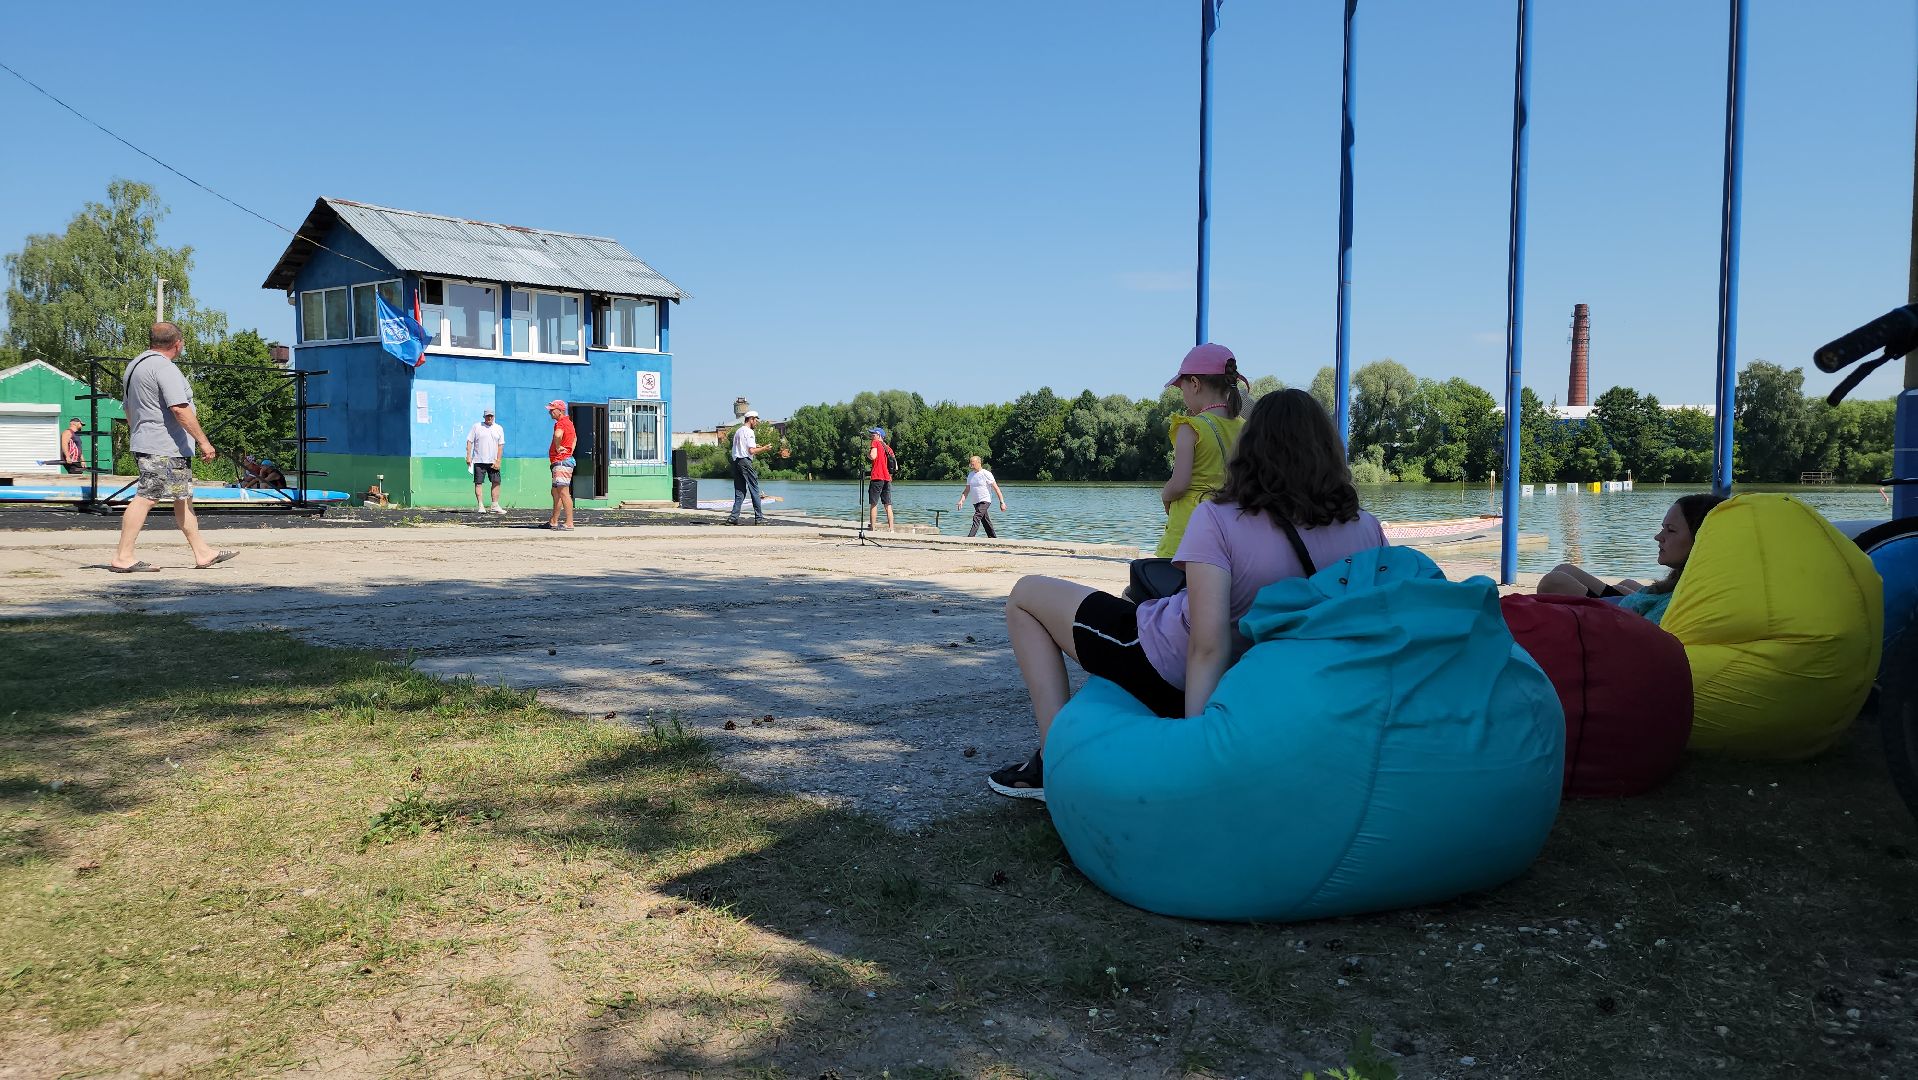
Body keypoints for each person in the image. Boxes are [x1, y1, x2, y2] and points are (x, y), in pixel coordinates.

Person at [987, 389, 1386, 800]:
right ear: (1328, 450)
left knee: (1024, 595)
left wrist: (1199, 752)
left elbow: (1207, 645)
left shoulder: (1218, 518)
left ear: (1251, 448)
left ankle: (1053, 761)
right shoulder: (1367, 529)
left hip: (1164, 666)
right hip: (1275, 682)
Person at [107, 323, 237, 573]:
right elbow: (179, 408)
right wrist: (203, 441)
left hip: (158, 444)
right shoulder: (164, 367)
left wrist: (140, 434)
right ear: (177, 344)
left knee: (183, 498)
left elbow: (128, 409)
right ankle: (123, 556)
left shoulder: (134, 366)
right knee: (146, 497)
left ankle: (203, 553)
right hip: (163, 447)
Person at [1536, 493, 1725, 625]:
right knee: (1568, 569)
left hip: (1617, 622)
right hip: (1629, 611)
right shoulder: (1693, 583)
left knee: (1554, 582)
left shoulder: (1678, 604)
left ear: (1701, 538)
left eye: (1671, 530)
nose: (1658, 537)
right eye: (1663, 527)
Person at [1155, 342, 1247, 558]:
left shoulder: (1191, 427)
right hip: (1230, 531)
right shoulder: (1246, 428)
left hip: (1188, 533)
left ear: (1195, 383)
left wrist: (1165, 495)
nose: (1182, 393)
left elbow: (1179, 484)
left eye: (1182, 387)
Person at [727, 410, 777, 525]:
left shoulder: (738, 431)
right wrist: (765, 448)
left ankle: (733, 518)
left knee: (740, 491)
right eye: (756, 420)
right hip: (745, 461)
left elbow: (741, 447)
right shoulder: (749, 432)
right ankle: (759, 518)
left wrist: (756, 446)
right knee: (754, 488)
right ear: (751, 419)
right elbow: (751, 451)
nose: (757, 422)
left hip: (736, 462)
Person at [956, 455, 1007, 538]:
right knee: (985, 520)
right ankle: (993, 538)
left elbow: (996, 488)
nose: (971, 466)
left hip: (985, 500)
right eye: (970, 464)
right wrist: (961, 500)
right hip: (975, 501)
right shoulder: (970, 475)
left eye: (973, 464)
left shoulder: (986, 474)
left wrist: (1002, 502)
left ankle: (970, 537)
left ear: (979, 463)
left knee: (976, 517)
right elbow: (967, 490)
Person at [466, 409, 506, 514]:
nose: (489, 418)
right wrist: (468, 456)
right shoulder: (476, 427)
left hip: (493, 461)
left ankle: (495, 505)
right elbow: (469, 441)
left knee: (496, 482)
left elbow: (501, 445)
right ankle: (480, 505)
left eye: (491, 416)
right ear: (484, 416)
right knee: (478, 483)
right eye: (487, 416)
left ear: (494, 416)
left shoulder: (499, 428)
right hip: (479, 460)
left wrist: (498, 460)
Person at [546, 400, 576, 530]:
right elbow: (575, 438)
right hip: (562, 460)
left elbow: (558, 435)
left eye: (553, 409)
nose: (550, 412)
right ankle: (554, 520)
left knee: (563, 492)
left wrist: (558, 447)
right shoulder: (569, 423)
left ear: (561, 410)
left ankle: (569, 523)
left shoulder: (562, 423)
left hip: (562, 460)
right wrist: (570, 450)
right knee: (556, 492)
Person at [868, 426, 896, 531]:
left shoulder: (875, 443)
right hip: (887, 479)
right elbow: (895, 466)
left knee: (873, 503)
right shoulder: (888, 448)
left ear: (879, 435)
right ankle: (891, 529)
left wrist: (868, 454)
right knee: (888, 504)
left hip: (877, 477)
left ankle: (873, 528)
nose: (871, 436)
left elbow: (873, 456)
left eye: (873, 434)